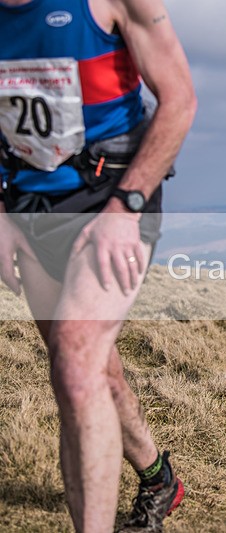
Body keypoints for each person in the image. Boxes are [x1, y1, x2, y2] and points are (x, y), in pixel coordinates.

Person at [0, 0, 196, 531]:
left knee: (75, 363)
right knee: (89, 369)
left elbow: (178, 99)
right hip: (29, 208)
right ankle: (159, 479)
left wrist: (125, 207)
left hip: (112, 202)